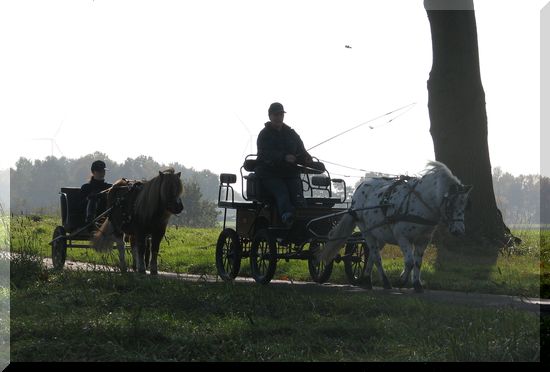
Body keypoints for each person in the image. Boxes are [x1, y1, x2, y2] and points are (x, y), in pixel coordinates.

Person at [255, 102, 313, 227]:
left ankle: (304, 221)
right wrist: (284, 157)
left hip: (290, 173)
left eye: (281, 114)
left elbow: (301, 151)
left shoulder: (292, 134)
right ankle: (287, 217)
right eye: (276, 115)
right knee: (282, 192)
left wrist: (307, 158)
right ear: (270, 116)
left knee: (298, 195)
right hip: (269, 174)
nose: (279, 117)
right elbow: (264, 154)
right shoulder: (264, 134)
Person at [80, 160, 112, 225]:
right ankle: (91, 223)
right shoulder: (86, 187)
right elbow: (80, 205)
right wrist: (90, 198)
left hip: (107, 216)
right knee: (92, 200)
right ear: (93, 172)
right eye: (99, 171)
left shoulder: (109, 187)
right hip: (90, 218)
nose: (102, 173)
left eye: (103, 171)